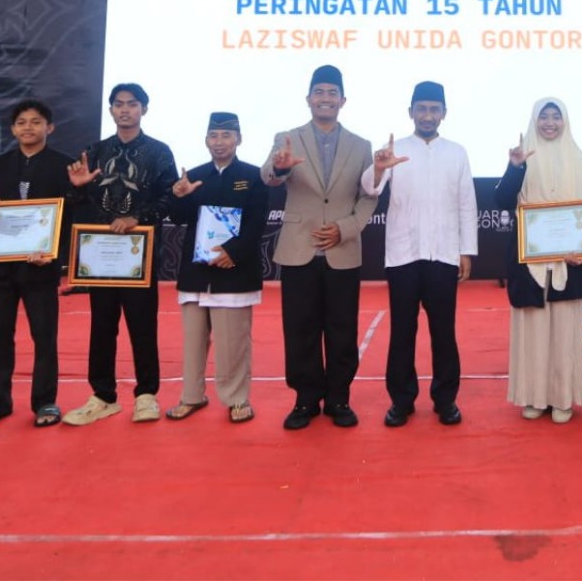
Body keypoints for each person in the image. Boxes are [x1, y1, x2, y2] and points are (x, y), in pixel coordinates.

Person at [261, 64, 376, 431]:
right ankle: (305, 400)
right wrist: (280, 168)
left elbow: (369, 196)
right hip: (299, 248)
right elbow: (267, 176)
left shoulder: (361, 145)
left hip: (342, 250)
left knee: (342, 329)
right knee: (300, 329)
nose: (325, 98)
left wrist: (346, 228)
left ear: (343, 100)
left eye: (332, 93)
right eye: (319, 92)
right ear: (308, 99)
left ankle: (339, 398)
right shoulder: (287, 138)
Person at [361, 81, 476, 428]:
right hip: (403, 255)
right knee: (402, 332)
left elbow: (466, 204)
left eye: (434, 109)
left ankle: (445, 400)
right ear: (410, 112)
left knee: (444, 332)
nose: (427, 115)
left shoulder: (457, 152)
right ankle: (401, 401)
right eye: (421, 109)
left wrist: (466, 250)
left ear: (444, 113)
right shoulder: (394, 150)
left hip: (443, 254)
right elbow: (370, 188)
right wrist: (379, 167)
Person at [62, 83, 178, 426]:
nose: (125, 110)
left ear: (144, 109)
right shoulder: (94, 152)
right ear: (111, 109)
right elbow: (77, 202)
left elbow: (169, 198)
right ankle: (103, 396)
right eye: (118, 104)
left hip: (138, 253)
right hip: (99, 253)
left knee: (143, 325)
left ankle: (146, 395)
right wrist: (77, 188)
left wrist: (136, 218)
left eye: (132, 104)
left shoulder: (159, 152)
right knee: (101, 326)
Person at [0, 99, 72, 429]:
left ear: (49, 127)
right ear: (12, 129)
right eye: (21, 122)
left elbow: (69, 217)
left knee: (44, 336)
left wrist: (53, 251)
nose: (28, 127)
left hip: (40, 266)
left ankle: (45, 401)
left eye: (36, 122)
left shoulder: (64, 166)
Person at [495, 97, 582, 424]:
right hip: (531, 261)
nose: (550, 122)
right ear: (534, 120)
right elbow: (503, 200)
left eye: (556, 116)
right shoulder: (523, 156)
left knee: (565, 332)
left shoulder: (578, 158)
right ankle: (536, 397)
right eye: (544, 116)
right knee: (534, 331)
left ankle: (563, 398)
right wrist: (515, 167)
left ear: (565, 120)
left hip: (569, 261)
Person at [166, 112, 271, 423]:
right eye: (213, 136)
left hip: (234, 270)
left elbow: (256, 223)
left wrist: (232, 252)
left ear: (238, 139)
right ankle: (191, 396)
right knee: (193, 342)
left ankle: (237, 399)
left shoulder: (254, 176)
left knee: (232, 343)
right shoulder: (194, 176)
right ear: (206, 140)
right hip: (196, 272)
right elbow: (180, 219)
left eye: (226, 136)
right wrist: (178, 197)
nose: (219, 142)